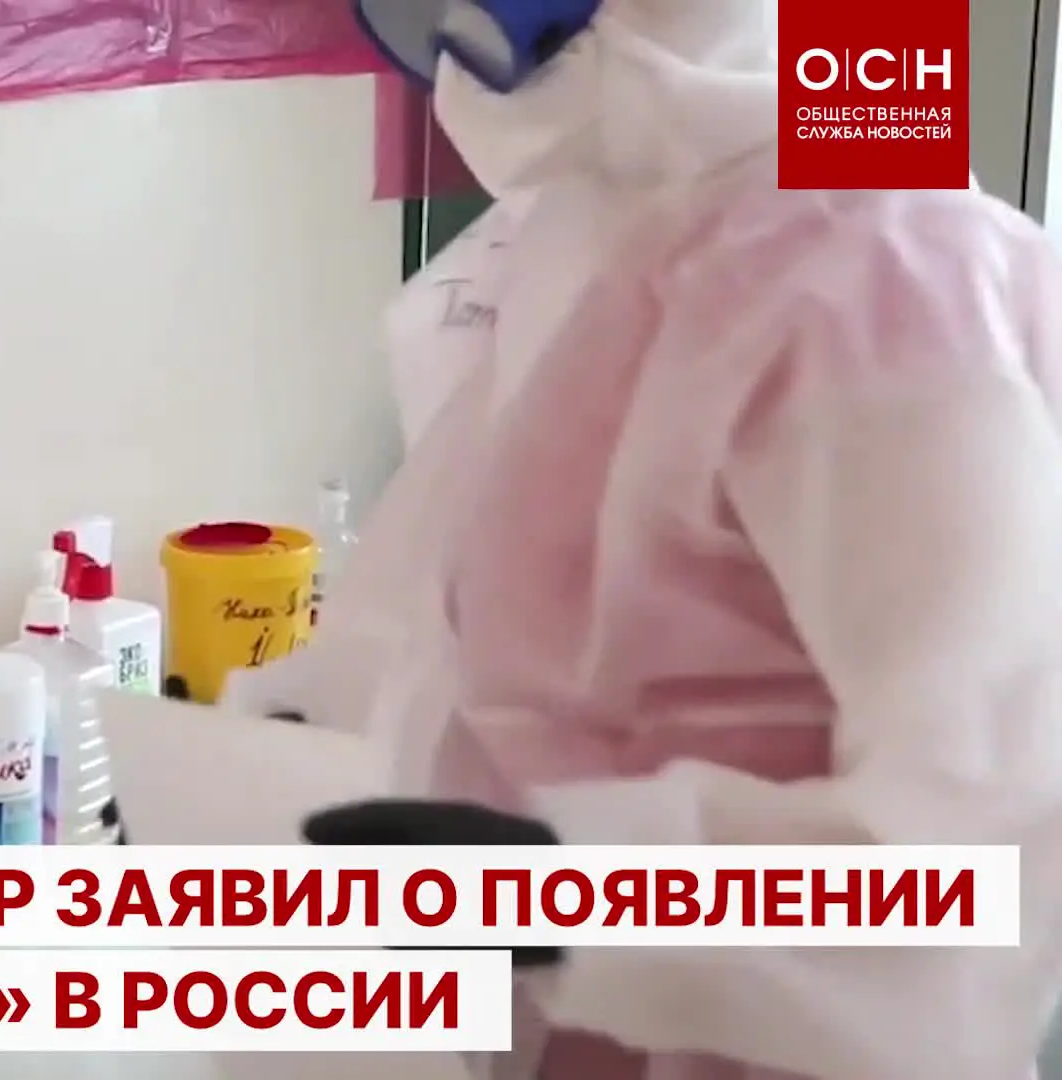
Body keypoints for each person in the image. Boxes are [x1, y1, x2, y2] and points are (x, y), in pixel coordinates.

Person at [220, 0, 1062, 1077]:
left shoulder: (888, 266)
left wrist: (571, 896)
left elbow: (984, 864)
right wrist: (264, 770)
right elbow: (458, 615)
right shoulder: (604, 227)